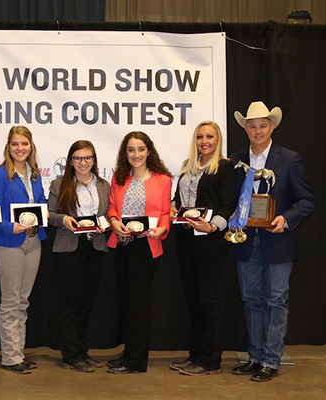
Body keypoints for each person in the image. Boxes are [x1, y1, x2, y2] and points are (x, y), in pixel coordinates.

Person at [230, 101, 316, 382]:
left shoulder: (289, 159)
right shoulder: (235, 161)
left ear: (272, 127)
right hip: (246, 240)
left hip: (278, 241)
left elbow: (307, 200)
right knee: (251, 299)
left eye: (262, 125)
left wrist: (286, 219)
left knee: (276, 300)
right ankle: (255, 357)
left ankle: (270, 359)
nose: (257, 130)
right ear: (245, 129)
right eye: (252, 126)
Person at [168, 121, 236, 376]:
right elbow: (180, 199)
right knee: (193, 299)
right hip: (186, 240)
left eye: (209, 136)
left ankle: (211, 360)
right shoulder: (189, 166)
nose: (204, 141)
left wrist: (213, 226)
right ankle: (195, 355)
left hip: (210, 242)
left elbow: (229, 205)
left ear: (218, 139)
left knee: (207, 300)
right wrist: (174, 207)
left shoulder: (225, 168)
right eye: (200, 137)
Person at [106, 131, 172, 374]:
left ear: (149, 151)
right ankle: (128, 353)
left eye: (141, 149)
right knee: (127, 302)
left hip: (146, 247)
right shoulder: (119, 177)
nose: (136, 154)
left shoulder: (163, 179)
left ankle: (136, 360)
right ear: (125, 153)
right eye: (131, 150)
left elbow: (165, 213)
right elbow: (112, 208)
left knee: (138, 305)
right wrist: (114, 223)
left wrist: (162, 228)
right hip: (122, 244)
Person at [0, 126, 47, 374]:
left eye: (24, 143)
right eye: (15, 144)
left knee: (23, 301)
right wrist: (10, 227)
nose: (20, 148)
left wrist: (40, 214)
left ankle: (18, 353)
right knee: (11, 302)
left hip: (34, 241)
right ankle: (11, 358)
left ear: (31, 146)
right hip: (8, 242)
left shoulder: (35, 174)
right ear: (8, 147)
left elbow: (41, 202)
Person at [47, 140, 111, 373]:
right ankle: (71, 356)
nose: (83, 163)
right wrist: (63, 219)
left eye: (87, 158)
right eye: (78, 158)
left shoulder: (104, 185)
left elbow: (108, 214)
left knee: (87, 303)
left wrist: (105, 225)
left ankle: (83, 351)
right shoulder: (58, 184)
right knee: (70, 304)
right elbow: (50, 215)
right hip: (68, 247)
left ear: (94, 160)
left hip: (95, 246)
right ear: (70, 161)